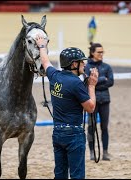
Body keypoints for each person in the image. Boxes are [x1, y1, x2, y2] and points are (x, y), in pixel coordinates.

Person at [35, 34, 99, 179]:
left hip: (58, 133)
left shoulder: (54, 76)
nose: (84, 65)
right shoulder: (76, 83)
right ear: (74, 64)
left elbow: (45, 61)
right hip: (74, 134)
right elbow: (90, 108)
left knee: (60, 174)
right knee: (77, 175)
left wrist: (41, 46)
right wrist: (92, 86)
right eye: (81, 62)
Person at [84, 42, 114, 161]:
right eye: (99, 52)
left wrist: (95, 83)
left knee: (104, 127)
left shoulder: (107, 67)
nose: (101, 54)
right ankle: (92, 152)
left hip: (105, 100)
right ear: (92, 53)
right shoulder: (86, 66)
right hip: (91, 101)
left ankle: (105, 152)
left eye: (102, 52)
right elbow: (87, 83)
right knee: (91, 127)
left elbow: (111, 82)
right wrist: (102, 79)